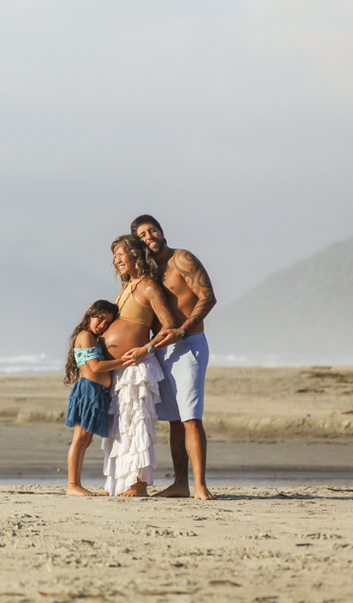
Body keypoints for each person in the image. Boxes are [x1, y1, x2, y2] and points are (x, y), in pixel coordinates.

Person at [128, 214, 217, 500]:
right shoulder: (148, 271)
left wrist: (183, 329)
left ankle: (200, 486)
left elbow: (207, 298)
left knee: (191, 417)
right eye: (142, 235)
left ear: (161, 231)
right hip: (161, 349)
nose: (149, 236)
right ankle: (181, 483)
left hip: (189, 343)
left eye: (152, 230)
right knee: (175, 420)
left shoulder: (182, 259)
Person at [100, 234, 181, 497]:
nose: (117, 260)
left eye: (121, 254)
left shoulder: (148, 286)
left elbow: (168, 325)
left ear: (135, 254)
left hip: (138, 367)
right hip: (119, 368)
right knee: (120, 426)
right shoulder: (126, 286)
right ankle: (121, 484)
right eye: (115, 256)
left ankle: (139, 484)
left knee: (137, 423)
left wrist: (145, 349)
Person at [63, 299, 125, 496]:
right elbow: (96, 367)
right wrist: (125, 360)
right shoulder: (85, 336)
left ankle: (75, 484)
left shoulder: (93, 337)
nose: (102, 325)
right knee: (80, 439)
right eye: (99, 319)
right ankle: (72, 485)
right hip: (89, 390)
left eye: (107, 323)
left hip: (97, 392)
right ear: (90, 312)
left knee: (85, 440)